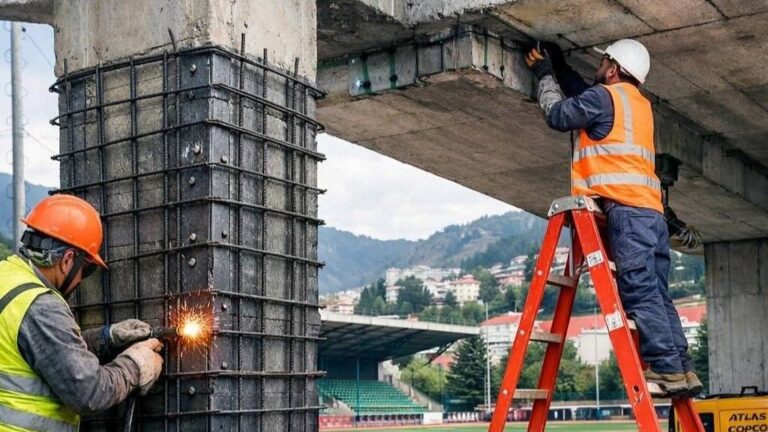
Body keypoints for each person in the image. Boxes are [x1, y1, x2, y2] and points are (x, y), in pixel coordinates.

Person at [524, 39, 702, 397]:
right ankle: (682, 369)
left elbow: (559, 115)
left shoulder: (606, 98)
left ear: (615, 69)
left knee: (639, 292)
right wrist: (559, 65)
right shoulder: (637, 105)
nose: (599, 64)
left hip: (627, 211)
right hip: (651, 212)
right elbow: (586, 95)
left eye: (604, 60)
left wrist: (544, 73)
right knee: (658, 294)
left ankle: (666, 370)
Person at [0, 194, 164, 431]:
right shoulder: (40, 307)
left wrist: (107, 338)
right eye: (86, 270)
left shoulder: (8, 278)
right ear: (67, 261)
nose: (80, 280)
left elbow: (42, 350)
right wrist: (135, 366)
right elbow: (89, 392)